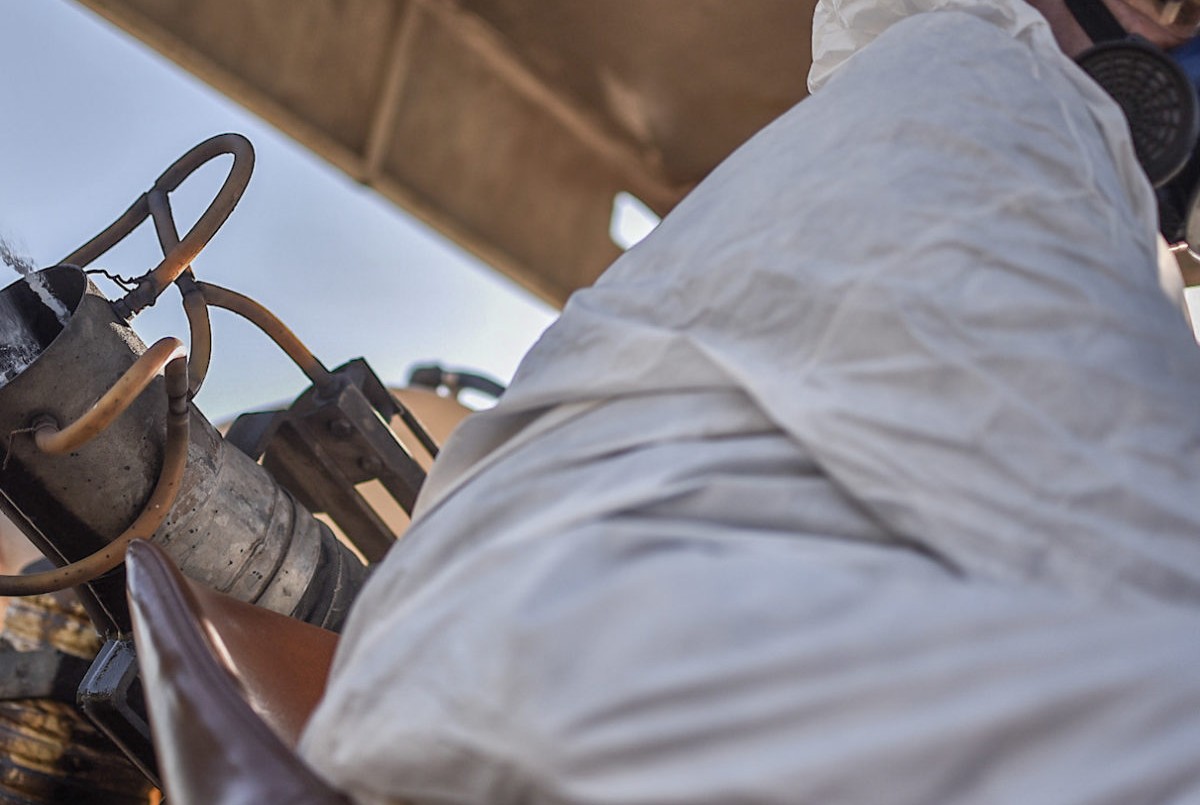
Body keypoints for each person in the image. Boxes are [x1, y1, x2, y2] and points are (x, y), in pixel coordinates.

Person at [300, 1, 1200, 802]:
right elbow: (1148, 526)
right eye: (1182, 17)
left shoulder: (936, 102)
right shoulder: (995, 91)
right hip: (574, 704)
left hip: (491, 686)